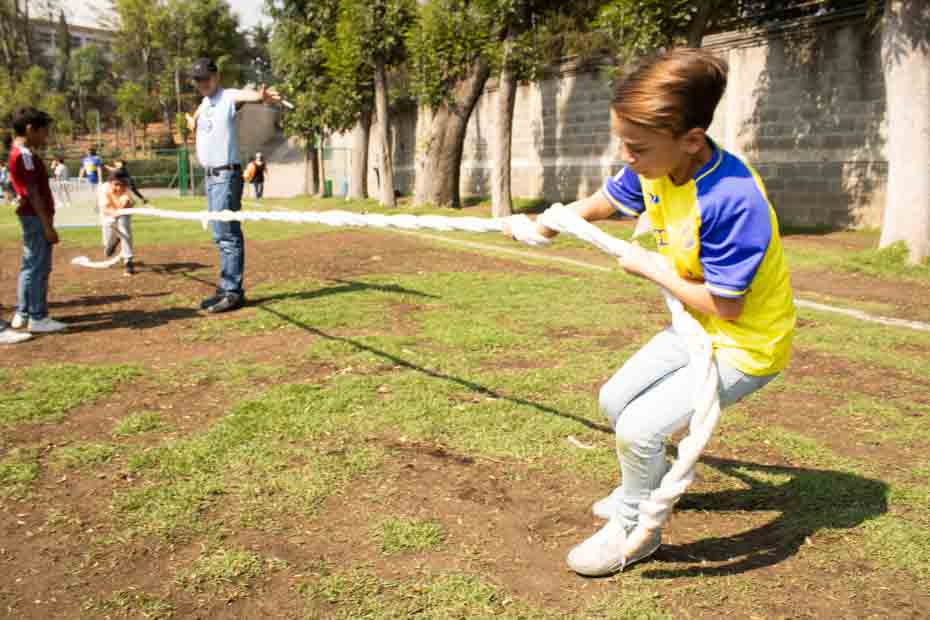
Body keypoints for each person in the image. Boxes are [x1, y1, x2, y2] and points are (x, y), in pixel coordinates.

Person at [505, 49, 796, 576]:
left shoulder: (733, 201)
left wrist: (651, 267)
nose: (627, 155)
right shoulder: (658, 161)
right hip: (694, 326)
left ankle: (636, 530)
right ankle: (644, 483)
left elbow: (726, 307)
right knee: (614, 400)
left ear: (691, 139)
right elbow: (612, 199)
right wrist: (550, 222)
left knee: (639, 428)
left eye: (636, 147)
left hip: (745, 344)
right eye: (624, 142)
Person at [184, 57, 281, 314]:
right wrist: (193, 123)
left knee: (227, 234)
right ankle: (225, 288)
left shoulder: (227, 97)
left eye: (206, 78)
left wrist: (260, 96)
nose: (202, 83)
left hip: (226, 176)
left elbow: (244, 96)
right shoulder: (205, 103)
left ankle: (233, 292)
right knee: (219, 234)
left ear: (216, 77)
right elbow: (197, 116)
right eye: (198, 80)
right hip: (211, 177)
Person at [8, 107, 67, 334]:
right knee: (39, 267)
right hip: (35, 217)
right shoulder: (24, 155)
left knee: (29, 266)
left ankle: (23, 314)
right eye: (44, 132)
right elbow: (33, 192)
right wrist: (47, 226)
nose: (46, 137)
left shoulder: (18, 153)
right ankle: (37, 316)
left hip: (30, 216)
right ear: (31, 129)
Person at [98, 168, 137, 276]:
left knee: (124, 228)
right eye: (116, 184)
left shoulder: (127, 190)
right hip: (108, 213)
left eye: (122, 185)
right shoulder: (103, 189)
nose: (119, 188)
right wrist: (114, 213)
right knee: (107, 247)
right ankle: (113, 241)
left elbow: (129, 205)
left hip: (122, 212)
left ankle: (128, 261)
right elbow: (104, 209)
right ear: (110, 182)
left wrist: (125, 205)